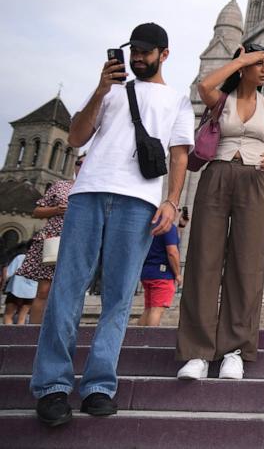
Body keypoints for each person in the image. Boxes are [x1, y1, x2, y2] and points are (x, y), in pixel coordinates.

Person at [31, 23, 193, 427]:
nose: (137, 57)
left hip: (139, 202)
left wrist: (172, 201)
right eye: (133, 50)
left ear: (164, 54)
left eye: (145, 51)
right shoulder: (110, 92)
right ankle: (52, 387)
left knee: (119, 298)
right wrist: (101, 90)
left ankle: (99, 385)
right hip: (87, 195)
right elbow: (75, 137)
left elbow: (179, 156)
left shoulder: (178, 99)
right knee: (66, 291)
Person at [176, 43, 264, 381]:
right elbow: (204, 87)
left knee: (247, 264)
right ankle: (197, 352)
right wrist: (240, 60)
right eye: (259, 63)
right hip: (217, 175)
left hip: (254, 180)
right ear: (244, 66)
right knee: (203, 260)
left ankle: (235, 350)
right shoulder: (220, 101)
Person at [15, 154, 85, 324]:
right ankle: (34, 333)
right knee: (44, 291)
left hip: (80, 243)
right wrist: (56, 210)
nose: (80, 166)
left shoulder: (95, 190)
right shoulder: (60, 186)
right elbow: (37, 211)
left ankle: (61, 332)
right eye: (78, 163)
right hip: (53, 241)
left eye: (85, 163)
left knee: (70, 292)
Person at [137, 224, 181, 327]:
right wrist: (178, 274)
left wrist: (181, 227)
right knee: (157, 310)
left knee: (148, 309)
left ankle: (138, 337)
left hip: (147, 271)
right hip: (162, 274)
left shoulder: (150, 224)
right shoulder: (168, 227)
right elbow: (172, 252)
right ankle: (151, 339)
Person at [4, 243, 37, 324]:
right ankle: (19, 336)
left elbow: (8, 273)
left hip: (16, 290)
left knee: (8, 315)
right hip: (31, 293)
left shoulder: (21, 257)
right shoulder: (39, 261)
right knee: (22, 318)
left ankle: (7, 336)